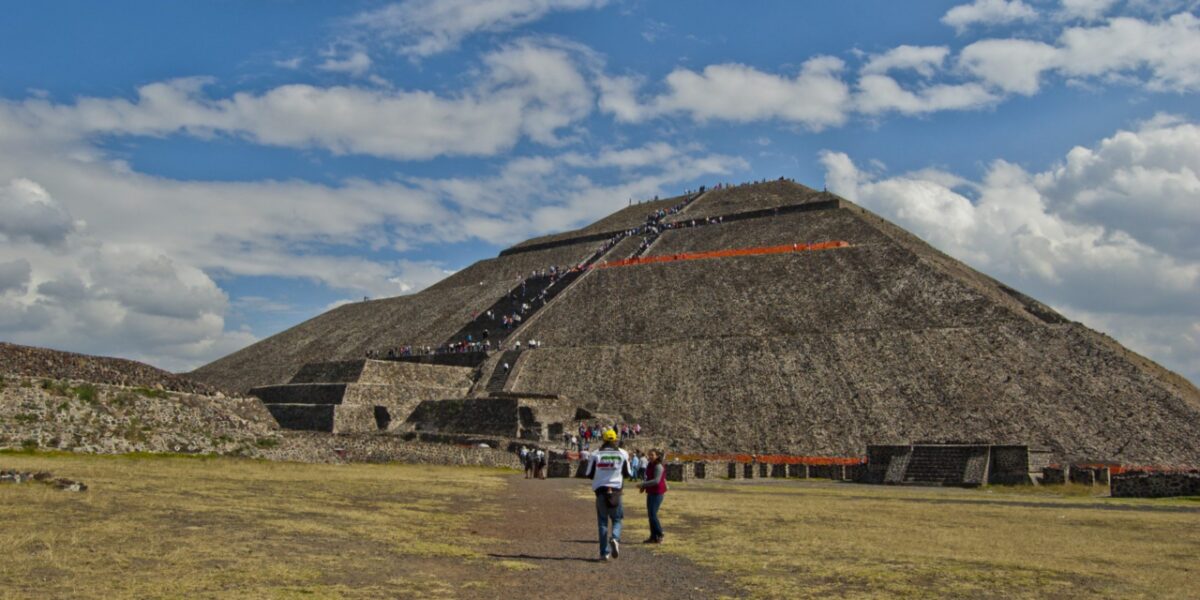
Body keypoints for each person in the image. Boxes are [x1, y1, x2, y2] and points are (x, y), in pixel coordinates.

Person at [584, 428, 632, 561]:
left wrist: (602, 474)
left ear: (603, 439)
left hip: (600, 491)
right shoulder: (622, 453)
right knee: (617, 520)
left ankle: (604, 553)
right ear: (616, 439)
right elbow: (628, 473)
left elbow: (588, 474)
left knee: (603, 523)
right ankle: (615, 538)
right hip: (616, 491)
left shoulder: (595, 454)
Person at [637, 448, 668, 544]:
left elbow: (656, 480)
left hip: (658, 492)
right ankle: (653, 537)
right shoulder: (650, 465)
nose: (650, 457)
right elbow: (648, 477)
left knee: (653, 514)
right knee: (650, 515)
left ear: (657, 456)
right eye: (649, 455)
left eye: (652, 455)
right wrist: (644, 487)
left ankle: (660, 533)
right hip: (650, 492)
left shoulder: (658, 466)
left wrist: (643, 484)